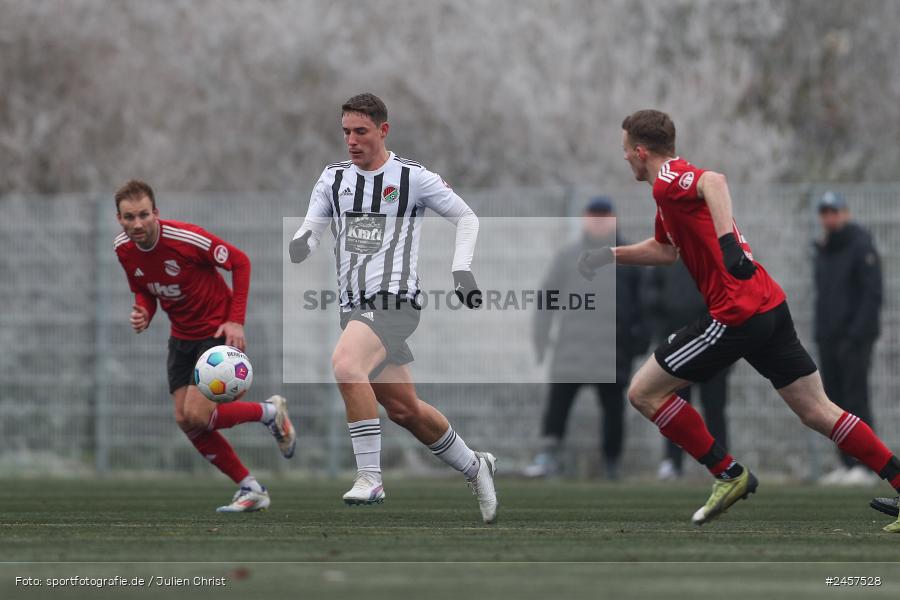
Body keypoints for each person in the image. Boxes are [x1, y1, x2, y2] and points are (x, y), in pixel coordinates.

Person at [578, 109, 900, 532]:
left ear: (640, 152)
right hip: (768, 304)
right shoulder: (666, 194)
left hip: (734, 313)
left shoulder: (673, 177)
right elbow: (664, 250)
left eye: (625, 151)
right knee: (818, 411)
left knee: (643, 392)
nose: (624, 160)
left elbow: (715, 181)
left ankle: (728, 473)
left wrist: (729, 242)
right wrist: (609, 256)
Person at [288, 93, 497, 524]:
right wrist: (304, 242)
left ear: (383, 130)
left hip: (395, 301)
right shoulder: (332, 179)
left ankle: (370, 476)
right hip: (354, 309)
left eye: (361, 131)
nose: (351, 140)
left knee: (346, 366)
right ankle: (477, 465)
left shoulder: (412, 178)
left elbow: (467, 218)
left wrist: (462, 271)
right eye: (346, 131)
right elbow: (312, 226)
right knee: (405, 410)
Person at [114, 180, 296, 513]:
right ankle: (251, 487)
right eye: (129, 217)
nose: (137, 224)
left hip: (216, 332)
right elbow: (145, 289)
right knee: (185, 420)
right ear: (119, 220)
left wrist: (236, 320)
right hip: (181, 337)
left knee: (198, 414)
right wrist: (144, 311)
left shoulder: (186, 238)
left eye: (143, 215)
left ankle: (269, 413)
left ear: (156, 213)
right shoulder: (123, 249)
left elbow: (240, 262)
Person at [525, 197, 648, 480]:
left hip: (613, 350)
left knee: (614, 409)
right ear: (584, 219)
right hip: (572, 347)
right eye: (593, 215)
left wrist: (639, 340)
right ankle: (547, 457)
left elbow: (645, 303)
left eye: (605, 215)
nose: (598, 221)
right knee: (558, 404)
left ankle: (612, 463)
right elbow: (546, 299)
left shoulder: (629, 257)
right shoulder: (568, 257)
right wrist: (540, 339)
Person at [814, 191, 882, 486]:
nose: (829, 217)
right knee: (834, 402)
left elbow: (872, 294)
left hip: (854, 338)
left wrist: (856, 333)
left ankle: (866, 466)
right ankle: (845, 462)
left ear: (845, 212)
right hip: (829, 337)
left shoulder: (860, 244)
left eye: (834, 211)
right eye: (825, 212)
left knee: (857, 398)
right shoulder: (825, 249)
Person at [644, 261, 730, 480]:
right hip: (676, 343)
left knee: (714, 408)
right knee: (674, 409)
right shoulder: (666, 256)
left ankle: (722, 464)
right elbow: (650, 293)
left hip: (713, 346)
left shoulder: (716, 256)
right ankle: (673, 462)